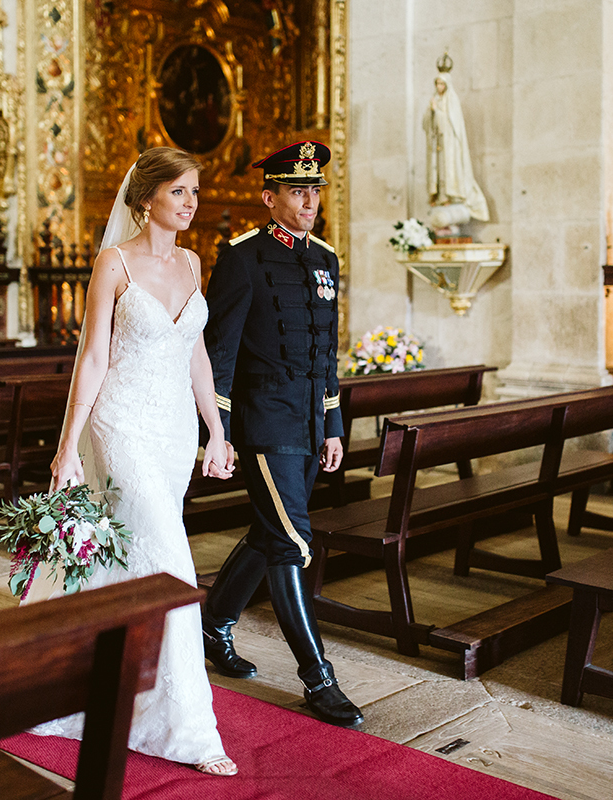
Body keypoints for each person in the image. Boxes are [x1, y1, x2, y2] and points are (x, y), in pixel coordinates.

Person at [29, 147, 239, 777]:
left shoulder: (192, 262)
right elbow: (93, 357)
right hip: (119, 423)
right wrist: (68, 446)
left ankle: (79, 676)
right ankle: (187, 727)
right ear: (146, 198)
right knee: (171, 558)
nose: (191, 203)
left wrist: (216, 431)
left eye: (194, 191)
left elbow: (196, 353)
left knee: (127, 555)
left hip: (174, 431)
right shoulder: (114, 263)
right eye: (179, 192)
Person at [201, 140, 364, 728]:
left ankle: (212, 625)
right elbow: (218, 354)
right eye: (297, 192)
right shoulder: (242, 258)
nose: (309, 202)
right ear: (269, 197)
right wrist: (216, 432)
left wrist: (333, 424)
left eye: (314, 191)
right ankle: (318, 679)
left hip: (308, 421)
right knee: (293, 541)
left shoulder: (325, 259)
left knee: (271, 531)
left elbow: (327, 354)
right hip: (264, 420)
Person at [423, 64, 490, 223]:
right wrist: (431, 112)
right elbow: (426, 124)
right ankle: (439, 197)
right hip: (437, 145)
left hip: (449, 145)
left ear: (447, 85)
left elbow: (451, 125)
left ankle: (450, 195)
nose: (439, 87)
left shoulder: (452, 100)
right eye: (437, 83)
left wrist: (437, 112)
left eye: (441, 84)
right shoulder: (434, 100)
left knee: (449, 169)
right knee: (437, 171)